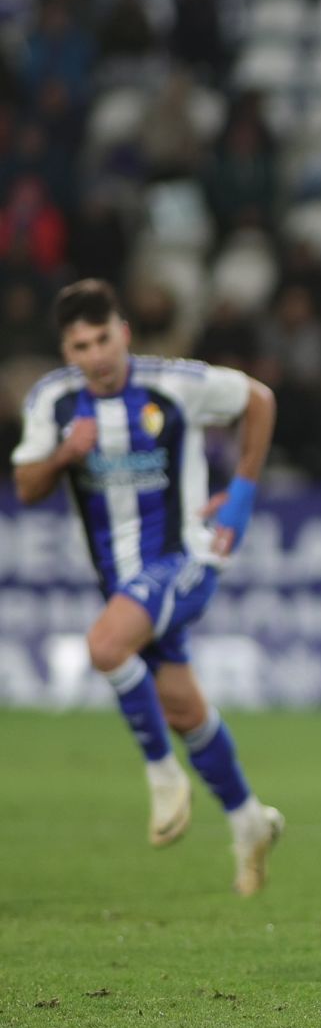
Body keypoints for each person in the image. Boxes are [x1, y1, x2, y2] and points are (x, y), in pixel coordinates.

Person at [11, 280, 283, 894]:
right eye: (81, 345)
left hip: (187, 559)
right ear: (67, 350)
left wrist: (240, 497)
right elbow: (27, 488)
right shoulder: (52, 401)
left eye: (104, 338)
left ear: (124, 332)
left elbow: (258, 400)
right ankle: (249, 821)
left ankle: (163, 774)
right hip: (123, 580)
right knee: (184, 708)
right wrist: (62, 457)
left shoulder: (175, 384)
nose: (96, 355)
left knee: (106, 647)